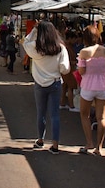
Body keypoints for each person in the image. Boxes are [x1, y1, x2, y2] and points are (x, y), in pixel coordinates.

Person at [23, 19, 70, 155]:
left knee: (41, 113)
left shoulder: (35, 48)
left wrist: (34, 30)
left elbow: (25, 42)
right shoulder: (61, 48)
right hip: (55, 83)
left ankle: (40, 140)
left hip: (39, 84)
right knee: (55, 115)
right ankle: (55, 145)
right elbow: (65, 69)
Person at [77, 25, 105, 156]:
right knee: (102, 117)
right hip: (104, 85)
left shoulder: (84, 52)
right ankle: (99, 147)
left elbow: (81, 71)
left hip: (88, 85)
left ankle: (89, 142)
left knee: (84, 114)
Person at [60, 30, 79, 112]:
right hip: (69, 69)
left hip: (66, 69)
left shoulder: (65, 46)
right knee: (70, 87)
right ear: (70, 38)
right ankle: (71, 105)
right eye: (74, 39)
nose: (76, 41)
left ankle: (62, 103)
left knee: (65, 87)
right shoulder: (66, 47)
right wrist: (74, 62)